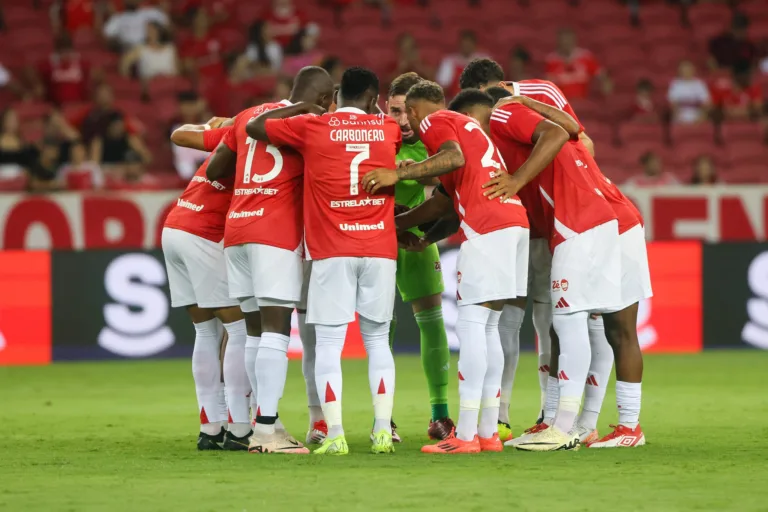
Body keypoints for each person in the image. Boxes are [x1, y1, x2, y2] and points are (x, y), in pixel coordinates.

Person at [362, 81, 530, 454]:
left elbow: (451, 159)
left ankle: (466, 435)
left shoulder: (437, 121)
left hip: (487, 230)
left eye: (410, 112)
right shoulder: (470, 129)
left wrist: (398, 175)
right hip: (514, 224)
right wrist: (403, 226)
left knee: (471, 328)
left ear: (419, 109)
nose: (410, 121)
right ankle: (487, 432)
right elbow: (442, 201)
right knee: (488, 330)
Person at [245, 67, 401, 456]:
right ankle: (382, 430)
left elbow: (256, 126)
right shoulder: (388, 130)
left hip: (331, 251)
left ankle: (335, 433)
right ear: (371, 98)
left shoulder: (313, 127)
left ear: (338, 94)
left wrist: (302, 106)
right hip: (380, 249)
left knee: (329, 344)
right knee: (378, 341)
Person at [479, 91, 626, 451]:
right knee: (581, 324)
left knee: (570, 323)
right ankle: (570, 424)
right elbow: (573, 131)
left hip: (578, 225)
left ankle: (562, 427)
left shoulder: (502, 114)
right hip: (593, 222)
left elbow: (560, 132)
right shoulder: (532, 127)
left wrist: (515, 180)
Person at [206, 66, 335, 454]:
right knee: (277, 331)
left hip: (237, 231)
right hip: (274, 235)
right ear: (327, 99)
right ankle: (266, 432)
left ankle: (266, 421)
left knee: (254, 334)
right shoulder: (310, 122)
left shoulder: (247, 114)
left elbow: (214, 170)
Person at [162, 117, 249, 450]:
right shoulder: (257, 147)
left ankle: (210, 429)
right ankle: (240, 428)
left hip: (174, 225)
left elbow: (180, 132)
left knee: (206, 331)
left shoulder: (228, 139)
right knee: (240, 328)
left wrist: (219, 124)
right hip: (202, 233)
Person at [385, 72, 453, 441]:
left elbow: (444, 191)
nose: (402, 121)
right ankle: (385, 418)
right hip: (374, 243)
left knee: (431, 320)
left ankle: (440, 414)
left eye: (407, 113)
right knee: (381, 326)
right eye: (395, 111)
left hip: (415, 239)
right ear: (386, 107)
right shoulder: (374, 138)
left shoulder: (432, 142)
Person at [544, 28, 610, 99]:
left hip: (583, 100)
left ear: (574, 40)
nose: (566, 42)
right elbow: (548, 83)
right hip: (562, 102)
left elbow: (603, 76)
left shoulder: (586, 57)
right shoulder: (551, 60)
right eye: (563, 40)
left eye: (568, 39)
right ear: (558, 41)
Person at [37, 32, 91, 105]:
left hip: (79, 107)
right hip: (57, 108)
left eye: (67, 50)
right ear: (57, 51)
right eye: (62, 51)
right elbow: (31, 71)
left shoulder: (81, 64)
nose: (65, 54)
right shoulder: (49, 65)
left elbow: (95, 74)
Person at [436, 30, 489, 97]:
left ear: (474, 44)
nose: (466, 46)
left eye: (469, 44)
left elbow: (489, 84)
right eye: (464, 44)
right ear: (459, 44)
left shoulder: (484, 60)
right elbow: (443, 86)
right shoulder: (449, 61)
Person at [103, 0, 169, 52]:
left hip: (149, 49)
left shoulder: (151, 13)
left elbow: (167, 27)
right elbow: (107, 37)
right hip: (128, 51)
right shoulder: (117, 19)